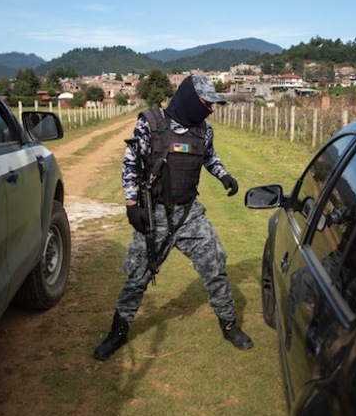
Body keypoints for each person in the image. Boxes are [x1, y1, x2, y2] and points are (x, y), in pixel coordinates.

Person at [93, 74, 253, 361]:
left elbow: (209, 157)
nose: (210, 109)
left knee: (215, 264)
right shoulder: (151, 124)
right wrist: (132, 204)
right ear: (191, 99)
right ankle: (118, 331)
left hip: (190, 214)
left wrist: (224, 175)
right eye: (206, 103)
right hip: (155, 215)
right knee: (138, 274)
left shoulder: (204, 131)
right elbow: (130, 163)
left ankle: (228, 324)